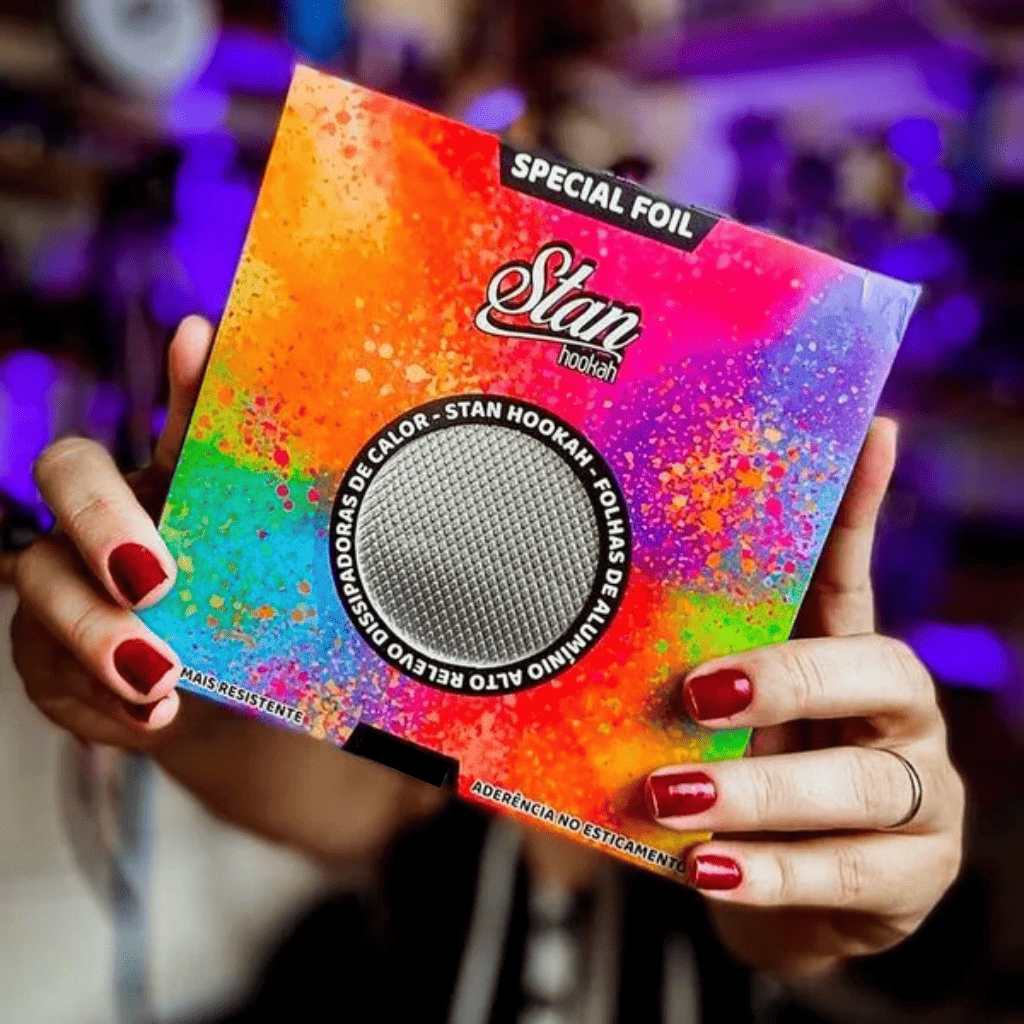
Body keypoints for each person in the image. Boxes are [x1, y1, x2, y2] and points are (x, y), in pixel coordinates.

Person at [4, 317, 965, 1022]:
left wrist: (843, 900)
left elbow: (798, 944)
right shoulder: (434, 770)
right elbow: (301, 780)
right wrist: (164, 661)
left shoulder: (733, 812)